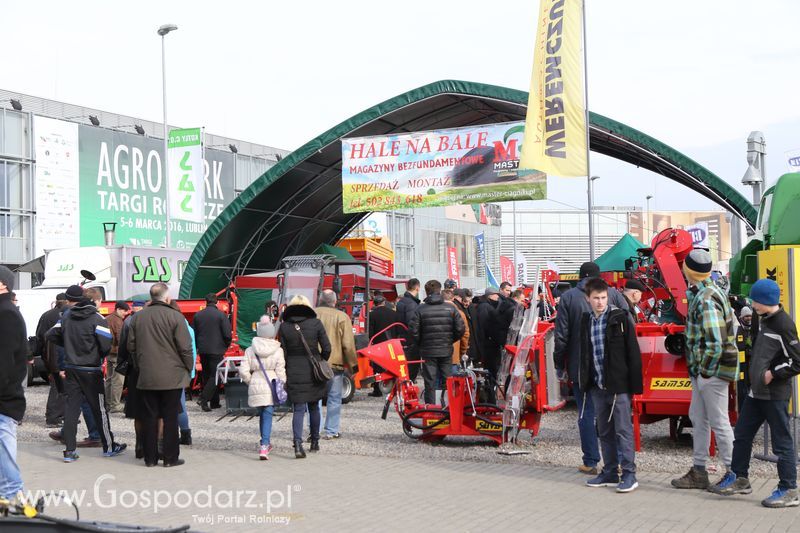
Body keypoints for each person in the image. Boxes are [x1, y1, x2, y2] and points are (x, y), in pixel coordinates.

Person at [709, 279, 800, 507]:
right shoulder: (762, 319)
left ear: (765, 301)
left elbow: (797, 360)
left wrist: (773, 373)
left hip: (775, 394)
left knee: (782, 443)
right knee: (742, 434)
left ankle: (789, 488)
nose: (751, 303)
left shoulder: (783, 324)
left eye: (754, 300)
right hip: (756, 393)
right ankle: (740, 479)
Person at [671, 250, 738, 490]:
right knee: (699, 417)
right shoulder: (711, 292)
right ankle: (700, 470)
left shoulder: (705, 298)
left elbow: (715, 341)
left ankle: (735, 474)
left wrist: (705, 372)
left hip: (711, 371)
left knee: (718, 421)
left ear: (687, 271)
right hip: (711, 370)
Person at [554, 261, 629, 475]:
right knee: (613, 413)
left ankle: (590, 461)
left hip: (580, 366)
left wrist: (560, 364)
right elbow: (629, 321)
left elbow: (561, 336)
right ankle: (621, 461)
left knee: (586, 413)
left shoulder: (568, 297)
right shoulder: (612, 294)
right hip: (610, 365)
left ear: (580, 277)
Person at [47, 285, 126, 462]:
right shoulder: (97, 318)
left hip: (72, 368)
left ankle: (69, 451)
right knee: (99, 409)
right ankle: (109, 446)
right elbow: (106, 344)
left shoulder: (66, 316)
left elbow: (51, 334)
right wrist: (96, 354)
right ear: (94, 302)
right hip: (91, 369)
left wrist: (67, 345)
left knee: (71, 409)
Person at [580, 278, 643, 493]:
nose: (600, 302)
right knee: (604, 432)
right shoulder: (587, 320)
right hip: (598, 386)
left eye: (603, 297)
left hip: (619, 386)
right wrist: (583, 380)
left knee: (623, 431)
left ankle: (629, 474)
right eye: (596, 298)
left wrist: (634, 387)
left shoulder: (620, 317)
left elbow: (633, 353)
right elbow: (586, 353)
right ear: (588, 299)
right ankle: (608, 472)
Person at [127, 283, 193, 467]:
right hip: (172, 376)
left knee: (149, 416)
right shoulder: (175, 317)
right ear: (167, 298)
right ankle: (170, 458)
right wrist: (189, 368)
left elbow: (131, 346)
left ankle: (150, 459)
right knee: (170, 417)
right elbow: (185, 347)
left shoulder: (137, 318)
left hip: (147, 375)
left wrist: (140, 365)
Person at [409, 280, 465, 404]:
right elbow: (460, 329)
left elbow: (413, 331)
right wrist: (450, 340)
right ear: (439, 290)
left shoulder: (420, 309)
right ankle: (448, 406)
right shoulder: (450, 308)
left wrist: (422, 343)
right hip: (445, 348)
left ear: (426, 291)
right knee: (448, 379)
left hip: (428, 350)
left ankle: (431, 407)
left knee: (430, 381)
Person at [0, 265, 28, 501]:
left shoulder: (6, 313)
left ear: (2, 284)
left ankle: (16, 504)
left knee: (4, 462)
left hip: (3, 402)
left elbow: (4, 364)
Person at [239, 320, 286, 460]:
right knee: (267, 415)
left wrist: (250, 380)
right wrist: (281, 384)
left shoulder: (250, 350)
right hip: (271, 384)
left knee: (262, 414)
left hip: (256, 383)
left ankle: (264, 442)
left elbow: (243, 371)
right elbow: (281, 372)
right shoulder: (278, 350)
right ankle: (264, 446)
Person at [315, 290, 357, 439]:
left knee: (315, 398)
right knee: (334, 398)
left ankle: (315, 430)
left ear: (320, 300)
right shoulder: (342, 317)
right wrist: (353, 366)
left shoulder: (312, 314)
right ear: (335, 301)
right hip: (335, 364)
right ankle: (331, 431)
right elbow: (348, 345)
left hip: (315, 363)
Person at [193, 293, 233, 412]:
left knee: (207, 376)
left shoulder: (198, 315)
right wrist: (225, 346)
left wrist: (198, 347)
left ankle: (214, 402)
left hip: (203, 350)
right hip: (217, 350)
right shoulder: (221, 315)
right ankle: (203, 398)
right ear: (217, 302)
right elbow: (227, 334)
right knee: (215, 376)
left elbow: (195, 333)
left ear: (206, 302)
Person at [116, 300, 145, 458]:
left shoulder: (128, 321)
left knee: (137, 411)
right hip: (151, 369)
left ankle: (139, 446)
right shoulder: (151, 319)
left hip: (134, 369)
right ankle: (153, 446)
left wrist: (123, 365)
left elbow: (123, 347)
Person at [35, 292, 68, 427]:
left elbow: (39, 335)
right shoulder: (67, 315)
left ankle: (62, 414)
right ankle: (53, 417)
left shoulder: (46, 315)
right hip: (59, 354)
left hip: (49, 355)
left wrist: (40, 354)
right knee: (59, 387)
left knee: (60, 386)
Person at [170, 300, 196, 447]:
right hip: (185, 369)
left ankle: (182, 434)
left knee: (177, 405)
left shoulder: (177, 327)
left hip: (176, 370)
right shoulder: (188, 327)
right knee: (181, 404)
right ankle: (186, 434)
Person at [104, 301, 129, 413]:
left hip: (108, 353)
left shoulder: (107, 318)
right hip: (116, 354)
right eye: (124, 311)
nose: (125, 313)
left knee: (109, 379)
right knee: (118, 380)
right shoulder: (118, 321)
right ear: (118, 309)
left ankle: (108, 403)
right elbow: (121, 339)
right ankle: (115, 405)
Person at [395, 278, 421, 381]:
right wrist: (417, 338)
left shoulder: (402, 301)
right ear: (417, 288)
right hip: (410, 340)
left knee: (406, 365)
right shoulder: (411, 303)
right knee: (412, 366)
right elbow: (412, 324)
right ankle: (408, 388)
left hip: (402, 337)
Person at [443, 289, 470, 369]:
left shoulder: (431, 312)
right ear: (453, 299)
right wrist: (462, 351)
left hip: (434, 355)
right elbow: (465, 334)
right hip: (454, 355)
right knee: (453, 380)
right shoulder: (459, 313)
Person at [734, 306, 753, 411]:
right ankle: (742, 409)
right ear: (742, 317)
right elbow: (739, 345)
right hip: (741, 364)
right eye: (746, 316)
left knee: (751, 385)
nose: (749, 318)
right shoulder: (739, 329)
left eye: (750, 316)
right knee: (742, 386)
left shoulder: (754, 329)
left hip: (752, 363)